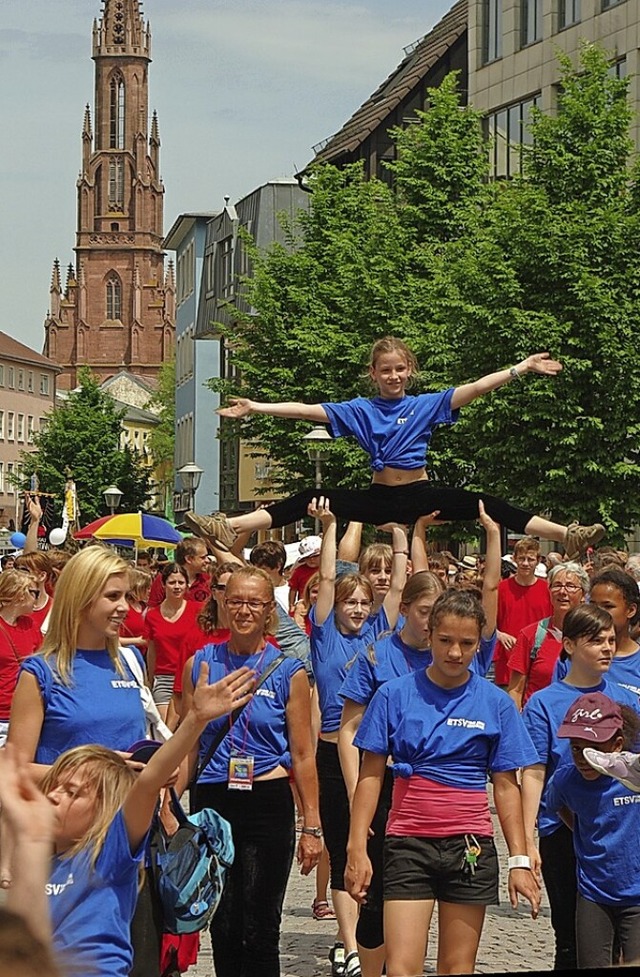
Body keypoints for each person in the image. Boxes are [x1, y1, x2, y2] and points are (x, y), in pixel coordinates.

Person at [186, 338, 603, 558]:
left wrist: (520, 368)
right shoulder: (360, 409)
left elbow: (475, 388)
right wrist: (255, 406)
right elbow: (307, 411)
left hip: (421, 495)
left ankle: (567, 534)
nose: (394, 376)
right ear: (373, 373)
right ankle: (232, 525)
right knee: (310, 497)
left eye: (400, 369)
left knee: (487, 503)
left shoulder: (425, 404)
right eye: (385, 370)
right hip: (379, 498)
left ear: (410, 371)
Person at [5, 667, 254, 977]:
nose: (55, 796)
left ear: (102, 808)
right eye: (55, 786)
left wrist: (194, 721)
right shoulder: (36, 854)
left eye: (72, 792)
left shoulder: (111, 850)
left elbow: (149, 782)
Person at [338, 502, 500, 977]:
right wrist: (354, 804)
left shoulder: (471, 670)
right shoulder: (380, 661)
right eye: (431, 619)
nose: (454, 649)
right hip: (388, 791)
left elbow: (487, 592)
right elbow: (353, 732)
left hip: (449, 817)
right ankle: (369, 966)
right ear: (412, 615)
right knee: (377, 909)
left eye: (464, 642)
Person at [345, 589, 541, 977]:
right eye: (446, 641)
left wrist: (520, 859)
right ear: (429, 635)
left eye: (467, 643)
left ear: (478, 644)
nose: (455, 652)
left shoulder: (495, 701)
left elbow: (505, 785)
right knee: (401, 967)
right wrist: (356, 847)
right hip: (407, 844)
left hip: (469, 847)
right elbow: (371, 774)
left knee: (456, 966)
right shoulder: (393, 694)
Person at [177, 564, 322, 977]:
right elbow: (187, 743)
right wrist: (169, 805)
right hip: (213, 798)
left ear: (268, 610)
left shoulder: (287, 671)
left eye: (254, 603)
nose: (243, 610)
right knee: (222, 922)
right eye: (235, 600)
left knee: (260, 925)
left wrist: (311, 825)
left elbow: (302, 754)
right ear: (222, 603)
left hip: (267, 800)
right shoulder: (200, 664)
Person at [310, 498, 407, 977]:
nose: (357, 608)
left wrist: (402, 535)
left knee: (377, 847)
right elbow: (328, 578)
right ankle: (349, 944)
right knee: (339, 843)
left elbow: (403, 587)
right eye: (351, 602)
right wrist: (329, 527)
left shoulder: (381, 632)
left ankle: (378, 939)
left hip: (374, 757)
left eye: (364, 603)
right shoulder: (325, 633)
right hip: (331, 753)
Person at [521, 604, 640, 971]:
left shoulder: (627, 698)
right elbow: (535, 772)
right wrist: (527, 841)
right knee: (570, 939)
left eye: (609, 640)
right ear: (569, 646)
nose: (607, 648)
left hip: (618, 831)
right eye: (595, 641)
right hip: (562, 830)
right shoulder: (544, 703)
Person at [546, 692, 640, 968]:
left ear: (617, 745)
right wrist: (579, 828)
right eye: (576, 748)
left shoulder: (633, 775)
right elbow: (556, 805)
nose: (584, 758)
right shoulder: (566, 780)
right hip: (593, 894)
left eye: (594, 748)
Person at [507, 561, 589, 710]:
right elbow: (515, 690)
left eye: (570, 586)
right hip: (538, 724)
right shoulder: (531, 635)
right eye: (557, 585)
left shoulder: (594, 637)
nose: (562, 592)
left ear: (583, 594)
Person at [145, 562, 203, 722]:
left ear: (187, 585)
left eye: (181, 582)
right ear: (163, 585)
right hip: (164, 677)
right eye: (172, 582)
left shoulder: (198, 610)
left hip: (191, 677)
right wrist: (149, 679)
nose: (177, 587)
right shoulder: (152, 616)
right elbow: (152, 650)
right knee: (164, 728)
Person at [493, 536, 552, 688]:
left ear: (538, 560)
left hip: (539, 661)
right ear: (514, 559)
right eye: (522, 558)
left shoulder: (547, 590)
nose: (526, 563)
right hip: (507, 661)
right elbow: (488, 622)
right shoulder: (502, 589)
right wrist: (500, 635)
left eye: (530, 559)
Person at [0, 570, 43, 748]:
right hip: (2, 715)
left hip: (27, 713)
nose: (37, 598)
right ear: (18, 594)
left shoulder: (30, 624)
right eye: (34, 592)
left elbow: (44, 661)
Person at [147, 537, 210, 608]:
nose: (207, 560)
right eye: (203, 557)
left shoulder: (207, 580)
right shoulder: (164, 579)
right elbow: (152, 609)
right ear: (189, 559)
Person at [288, 536, 322, 613]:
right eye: (307, 557)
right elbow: (293, 589)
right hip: (304, 606)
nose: (311, 559)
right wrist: (291, 605)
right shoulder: (299, 571)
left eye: (315, 556)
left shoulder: (328, 569)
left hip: (324, 604)